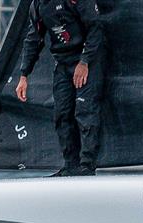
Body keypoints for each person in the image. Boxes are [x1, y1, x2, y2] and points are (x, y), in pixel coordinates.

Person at [16, 0, 104, 176]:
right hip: (63, 62)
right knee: (62, 114)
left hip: (87, 60)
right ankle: (70, 165)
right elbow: (34, 38)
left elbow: (96, 29)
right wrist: (24, 75)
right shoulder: (38, 5)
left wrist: (84, 62)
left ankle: (87, 166)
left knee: (85, 112)